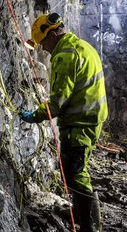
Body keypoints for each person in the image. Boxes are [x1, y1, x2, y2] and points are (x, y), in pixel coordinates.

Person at [20, 13, 108, 232]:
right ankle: (80, 215)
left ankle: (90, 226)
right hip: (89, 119)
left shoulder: (65, 55)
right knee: (74, 170)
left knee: (75, 173)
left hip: (80, 122)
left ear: (51, 34)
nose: (44, 50)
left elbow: (58, 101)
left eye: (43, 45)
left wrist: (35, 115)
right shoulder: (82, 46)